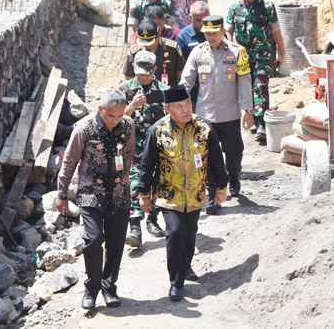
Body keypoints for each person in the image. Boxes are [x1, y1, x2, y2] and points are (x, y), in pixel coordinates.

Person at [138, 85, 228, 302]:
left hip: (195, 193)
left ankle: (186, 266)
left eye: (188, 103)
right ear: (168, 109)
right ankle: (176, 283)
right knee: (175, 232)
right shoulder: (157, 131)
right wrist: (143, 194)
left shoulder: (204, 128)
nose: (186, 109)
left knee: (189, 233)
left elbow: (216, 159)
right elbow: (146, 164)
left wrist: (221, 188)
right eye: (179, 106)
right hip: (169, 195)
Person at [56, 90, 135, 309]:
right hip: (91, 192)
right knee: (92, 240)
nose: (115, 121)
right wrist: (62, 194)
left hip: (119, 193)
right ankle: (92, 288)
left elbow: (128, 154)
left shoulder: (128, 125)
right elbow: (70, 162)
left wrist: (126, 179)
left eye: (119, 116)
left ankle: (110, 288)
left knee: (116, 242)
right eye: (111, 116)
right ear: (101, 110)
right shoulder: (84, 128)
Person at [181, 15, 254, 208]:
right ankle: (213, 192)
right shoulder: (197, 53)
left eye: (214, 33)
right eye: (207, 33)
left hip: (230, 114)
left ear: (223, 31)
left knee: (233, 153)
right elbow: (186, 81)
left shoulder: (238, 52)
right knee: (207, 156)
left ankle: (233, 175)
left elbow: (245, 82)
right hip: (205, 116)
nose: (211, 37)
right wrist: (176, 104)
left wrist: (248, 110)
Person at [225, 0, 285, 138]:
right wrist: (230, 51)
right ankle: (250, 118)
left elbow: (275, 31)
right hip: (242, 55)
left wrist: (282, 52)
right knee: (246, 86)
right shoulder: (234, 7)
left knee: (260, 85)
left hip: (262, 54)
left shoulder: (266, 7)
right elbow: (229, 32)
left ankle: (261, 123)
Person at [119, 51, 168, 248]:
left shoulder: (163, 89)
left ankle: (152, 219)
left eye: (146, 74)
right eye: (139, 73)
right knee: (135, 180)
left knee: (157, 179)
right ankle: (134, 227)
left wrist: (168, 110)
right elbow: (116, 118)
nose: (142, 77)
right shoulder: (126, 88)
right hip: (135, 141)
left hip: (156, 140)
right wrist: (132, 105)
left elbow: (176, 115)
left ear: (154, 70)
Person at [124, 18, 185, 87]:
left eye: (150, 42)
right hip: (142, 94)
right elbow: (129, 79)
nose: (147, 45)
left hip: (167, 93)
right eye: (143, 41)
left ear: (158, 35)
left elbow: (181, 74)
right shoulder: (134, 52)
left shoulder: (172, 49)